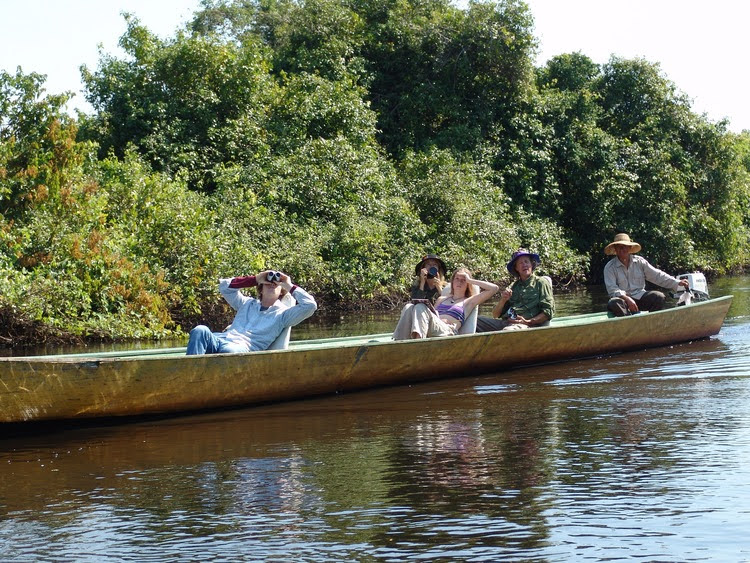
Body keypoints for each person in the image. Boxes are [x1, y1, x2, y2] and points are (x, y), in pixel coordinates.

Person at [186, 270, 317, 355]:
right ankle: (189, 374)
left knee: (229, 350)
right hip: (221, 338)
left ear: (281, 292)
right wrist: (255, 279)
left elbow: (310, 306)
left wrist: (288, 285)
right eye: (267, 284)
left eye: (276, 285)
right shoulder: (246, 303)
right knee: (200, 330)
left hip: (242, 349)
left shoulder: (283, 315)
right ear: (260, 289)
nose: (272, 285)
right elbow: (224, 287)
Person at [393, 266, 498, 340]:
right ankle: (399, 341)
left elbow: (494, 289)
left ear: (468, 284)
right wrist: (438, 319)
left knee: (420, 307)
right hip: (434, 327)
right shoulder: (442, 298)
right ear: (452, 282)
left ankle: (418, 344)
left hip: (448, 331)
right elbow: (430, 315)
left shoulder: (469, 301)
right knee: (409, 306)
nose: (459, 282)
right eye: (457, 279)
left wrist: (470, 280)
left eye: (463, 280)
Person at [603, 233, 689, 317]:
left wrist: (677, 282)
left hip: (640, 297)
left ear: (629, 248)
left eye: (625, 247)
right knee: (614, 303)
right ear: (615, 249)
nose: (622, 250)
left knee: (659, 296)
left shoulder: (640, 262)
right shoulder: (609, 267)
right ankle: (628, 322)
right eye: (620, 247)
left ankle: (651, 322)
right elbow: (612, 290)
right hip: (623, 302)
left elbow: (657, 276)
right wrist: (627, 299)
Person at [475, 248, 555, 332]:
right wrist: (503, 300)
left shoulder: (541, 283)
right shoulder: (513, 287)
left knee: (508, 331)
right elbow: (495, 315)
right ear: (516, 268)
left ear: (531, 264)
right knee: (475, 320)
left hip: (527, 326)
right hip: (506, 323)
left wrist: (529, 322)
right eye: (520, 263)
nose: (524, 265)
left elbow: (548, 312)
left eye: (526, 261)